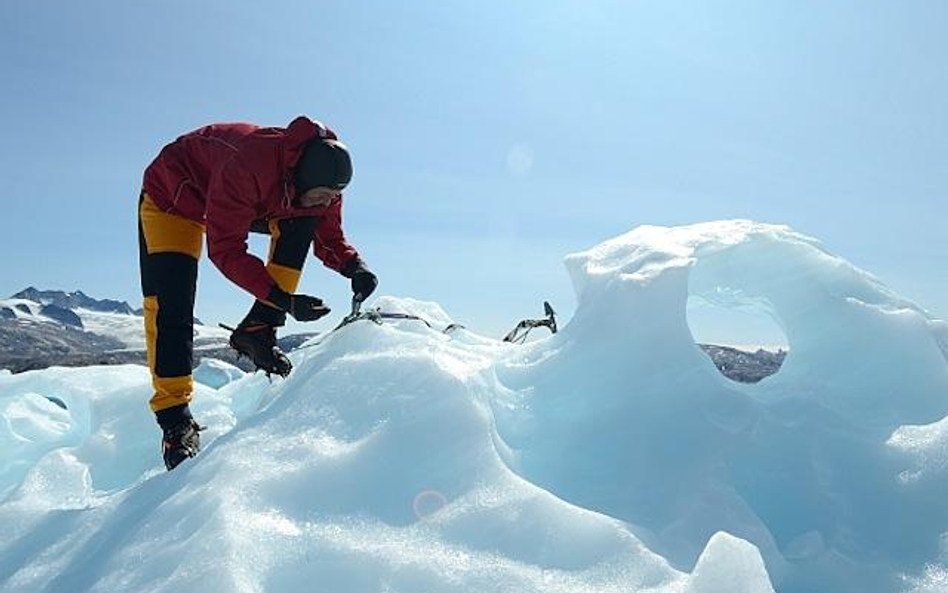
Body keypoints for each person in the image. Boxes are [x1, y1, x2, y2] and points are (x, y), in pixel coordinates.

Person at [138, 115, 378, 470]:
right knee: (171, 303)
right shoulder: (248, 163)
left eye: (334, 197)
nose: (328, 202)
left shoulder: (322, 185)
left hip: (243, 199)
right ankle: (175, 420)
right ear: (303, 176)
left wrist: (352, 266)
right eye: (324, 195)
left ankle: (258, 330)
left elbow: (329, 235)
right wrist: (283, 299)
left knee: (303, 220)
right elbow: (226, 250)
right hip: (173, 199)